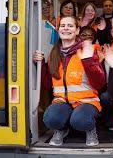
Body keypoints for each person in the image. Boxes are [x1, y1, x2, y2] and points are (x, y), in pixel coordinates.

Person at [33, 16, 105, 146]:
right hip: (62, 102)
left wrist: (88, 61)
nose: (66, 28)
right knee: (50, 119)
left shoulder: (87, 51)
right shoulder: (54, 53)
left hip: (86, 102)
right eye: (63, 25)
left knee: (80, 120)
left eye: (70, 26)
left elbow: (100, 83)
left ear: (77, 30)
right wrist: (40, 64)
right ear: (58, 29)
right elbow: (48, 85)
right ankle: (62, 128)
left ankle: (90, 129)